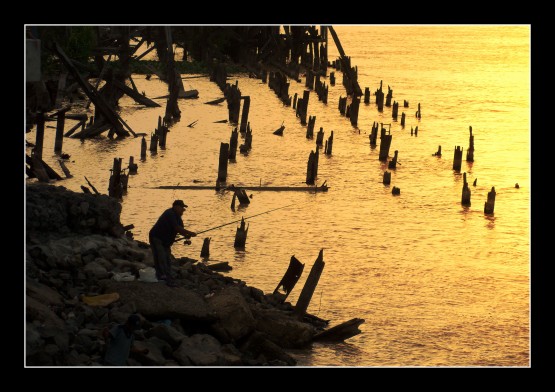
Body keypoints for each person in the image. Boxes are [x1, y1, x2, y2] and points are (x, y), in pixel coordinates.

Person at [149, 200, 197, 285]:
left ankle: (167, 275)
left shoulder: (178, 217)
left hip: (166, 241)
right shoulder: (170, 213)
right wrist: (189, 233)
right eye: (182, 207)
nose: (183, 210)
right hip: (156, 238)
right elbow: (177, 228)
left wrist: (186, 235)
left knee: (167, 258)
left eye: (184, 208)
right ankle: (162, 276)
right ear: (176, 207)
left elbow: (180, 230)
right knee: (161, 256)